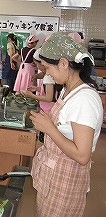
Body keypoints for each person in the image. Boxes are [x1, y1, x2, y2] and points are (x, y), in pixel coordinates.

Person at [29, 33, 103, 217]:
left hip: (67, 180)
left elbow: (82, 155)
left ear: (63, 63)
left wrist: (49, 129)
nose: (46, 74)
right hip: (54, 176)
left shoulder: (84, 99)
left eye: (47, 68)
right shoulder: (68, 91)